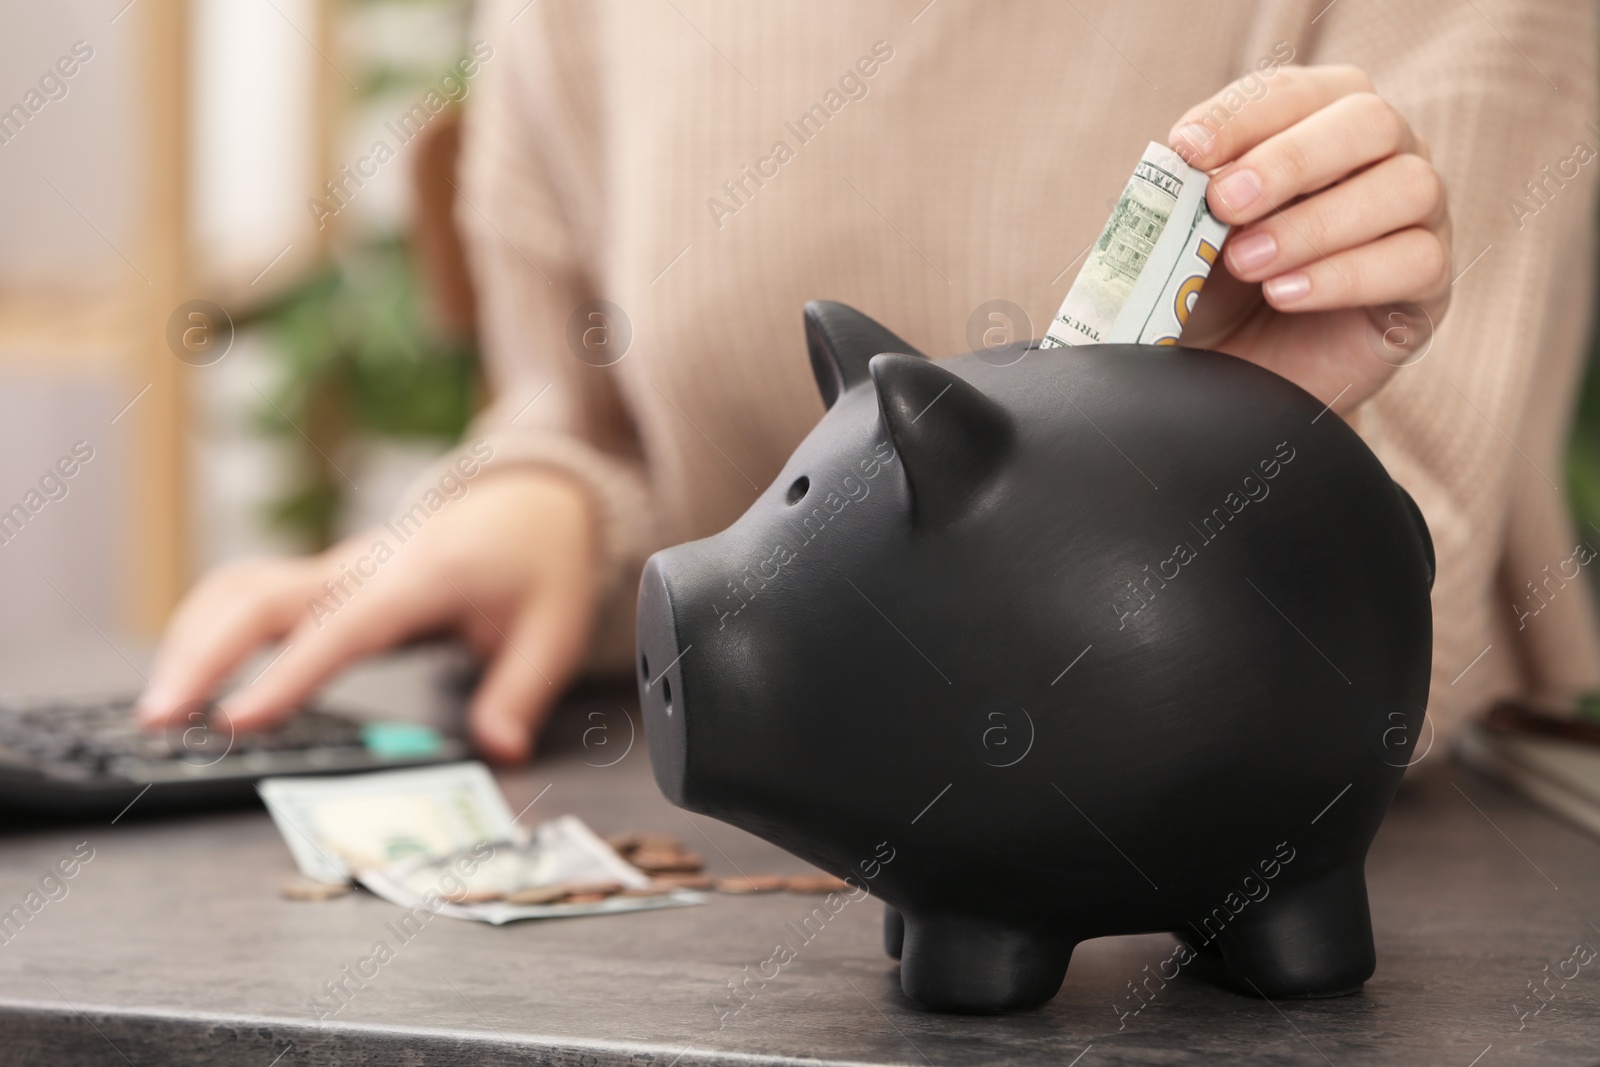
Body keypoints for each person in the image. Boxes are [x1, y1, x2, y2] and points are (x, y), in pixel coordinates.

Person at [138, 0, 1600, 763]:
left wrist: (1204, 464)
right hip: (745, 856)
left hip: (1356, 862)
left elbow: (1416, 593)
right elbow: (594, 415)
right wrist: (543, 509)